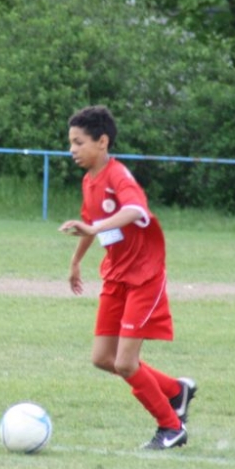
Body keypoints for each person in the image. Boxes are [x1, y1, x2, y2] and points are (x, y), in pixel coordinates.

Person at [59, 105, 196, 450]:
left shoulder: (118, 175)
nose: (72, 149)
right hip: (116, 277)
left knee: (125, 362)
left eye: (78, 142)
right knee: (103, 358)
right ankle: (175, 390)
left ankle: (171, 427)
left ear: (102, 141)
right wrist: (76, 262)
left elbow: (135, 210)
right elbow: (91, 224)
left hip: (144, 276)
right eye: (70, 143)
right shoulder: (89, 180)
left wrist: (96, 225)